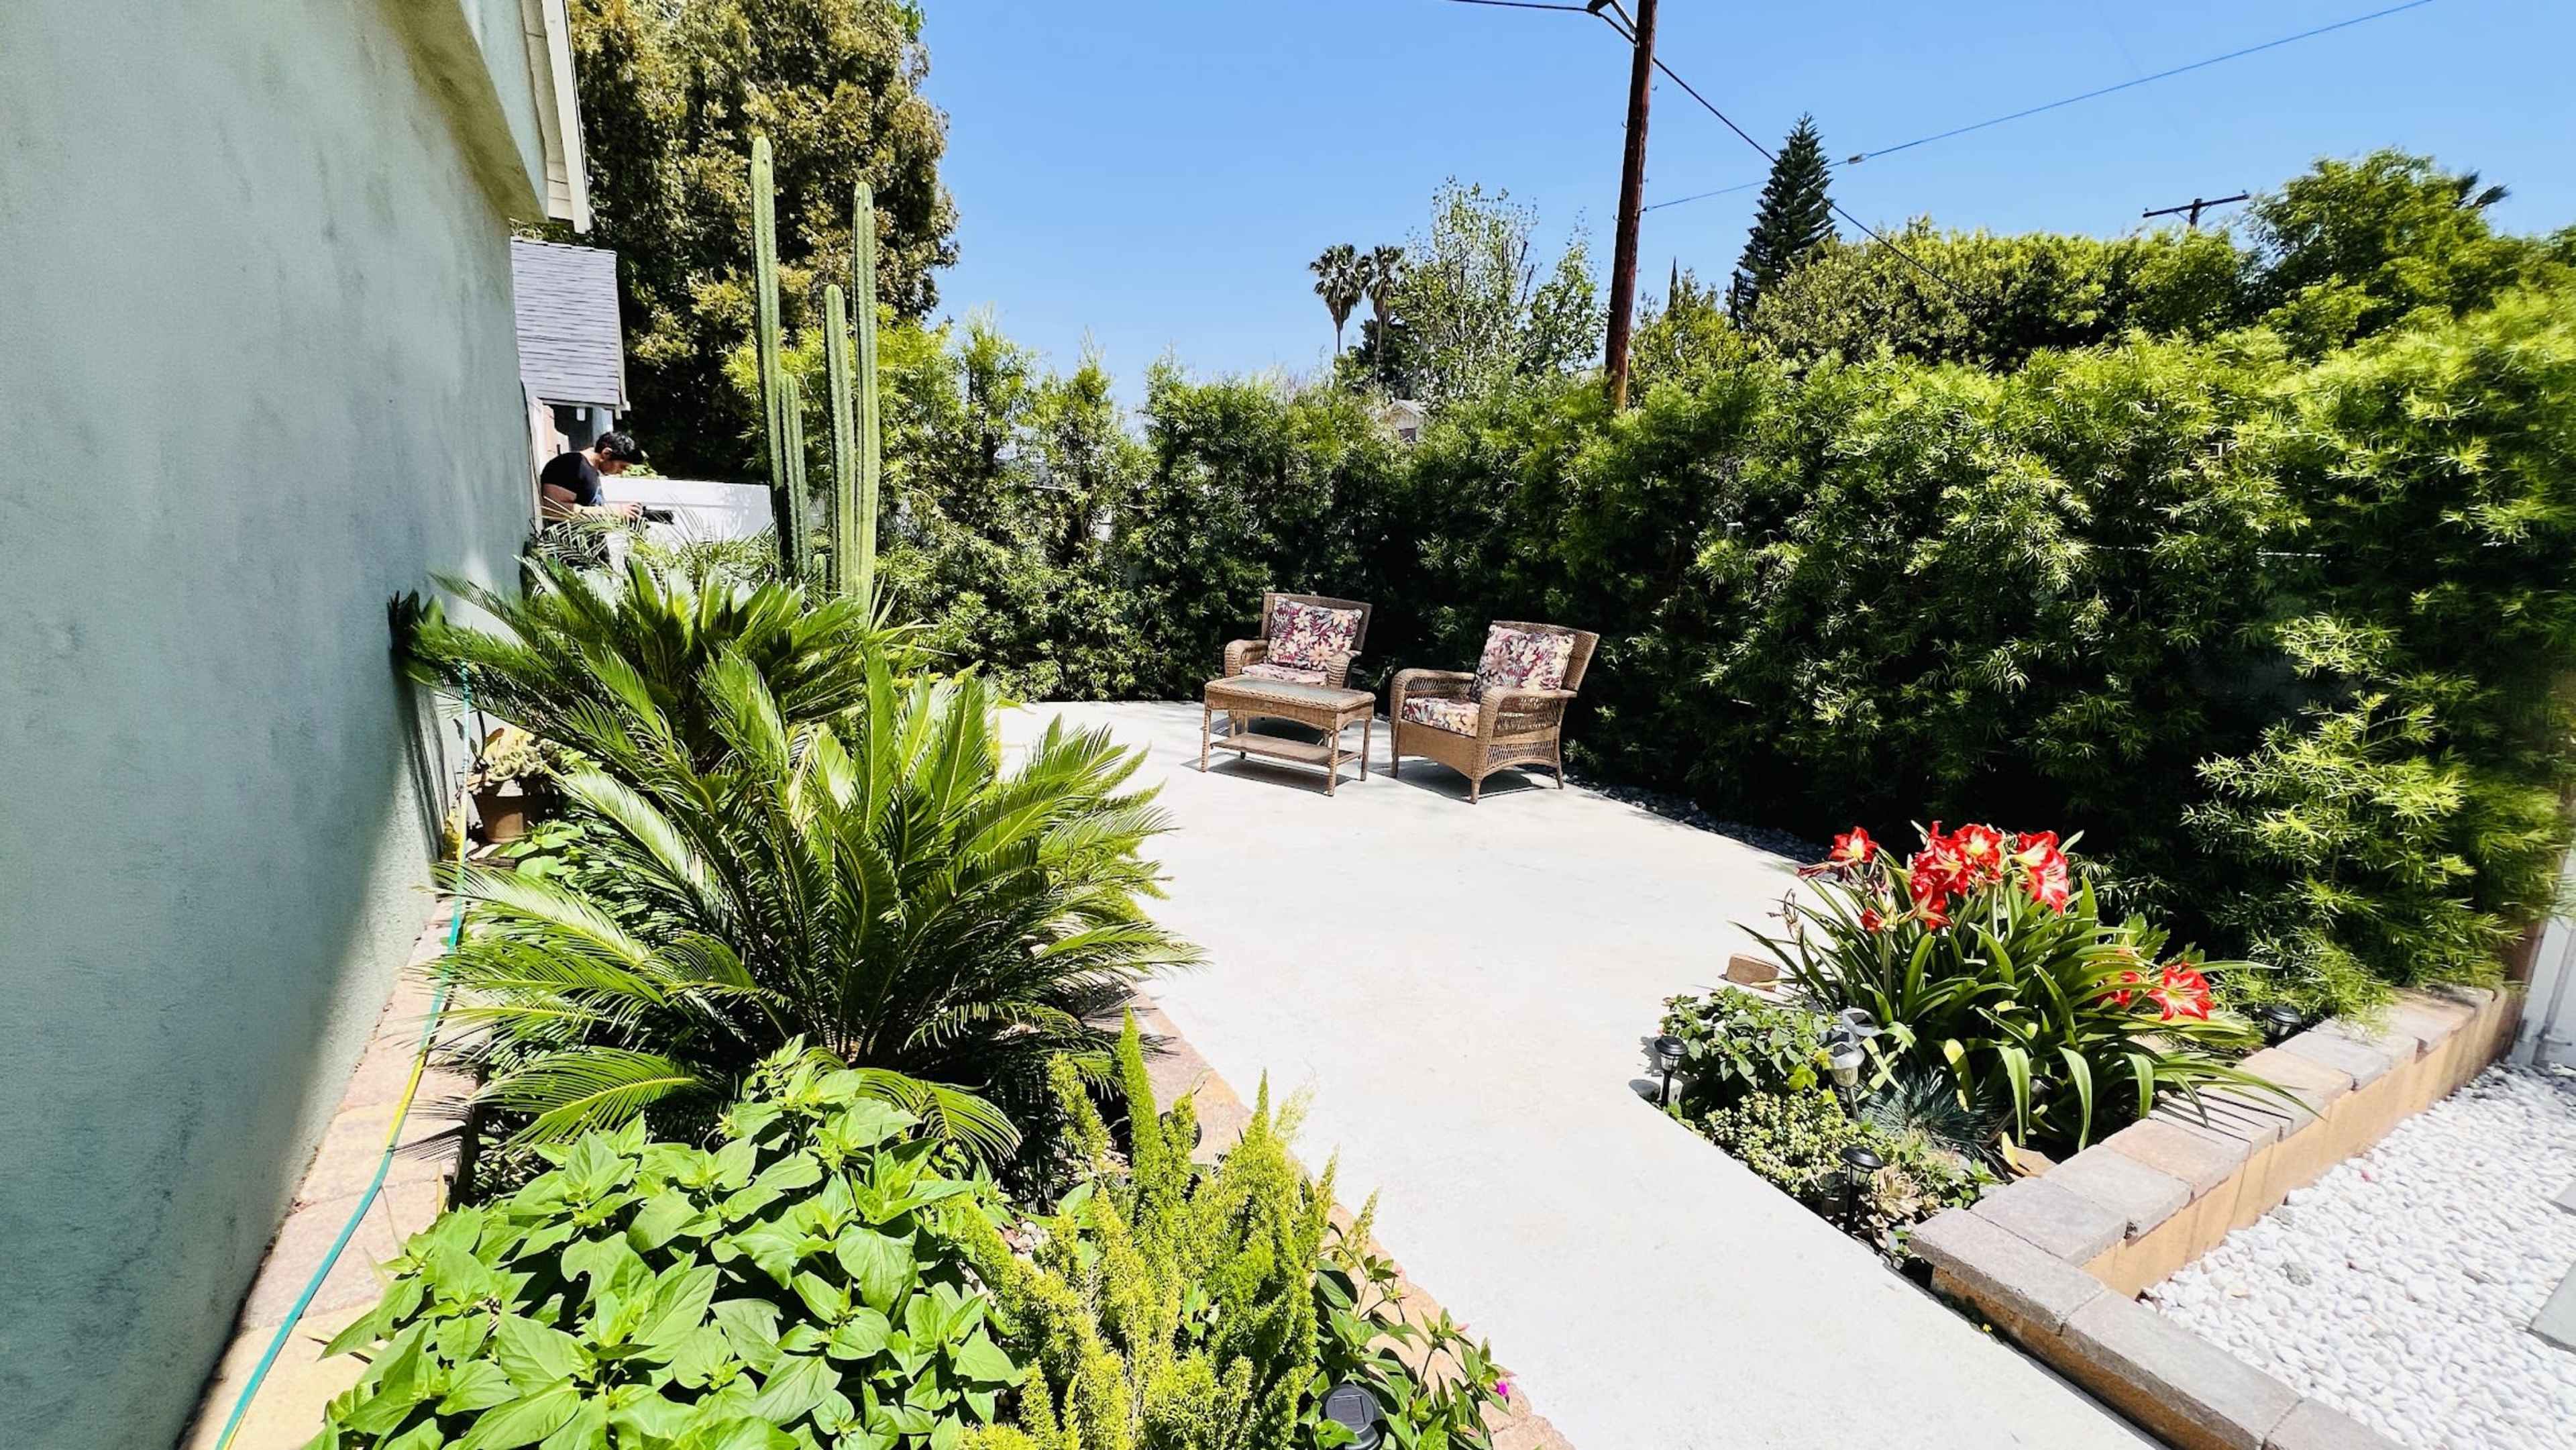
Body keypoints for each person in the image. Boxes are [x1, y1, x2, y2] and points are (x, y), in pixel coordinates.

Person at [538, 431, 644, 521]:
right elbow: (553, 510)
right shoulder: (572, 465)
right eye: (622, 466)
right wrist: (612, 512)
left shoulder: (592, 471)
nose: (621, 472)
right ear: (606, 453)